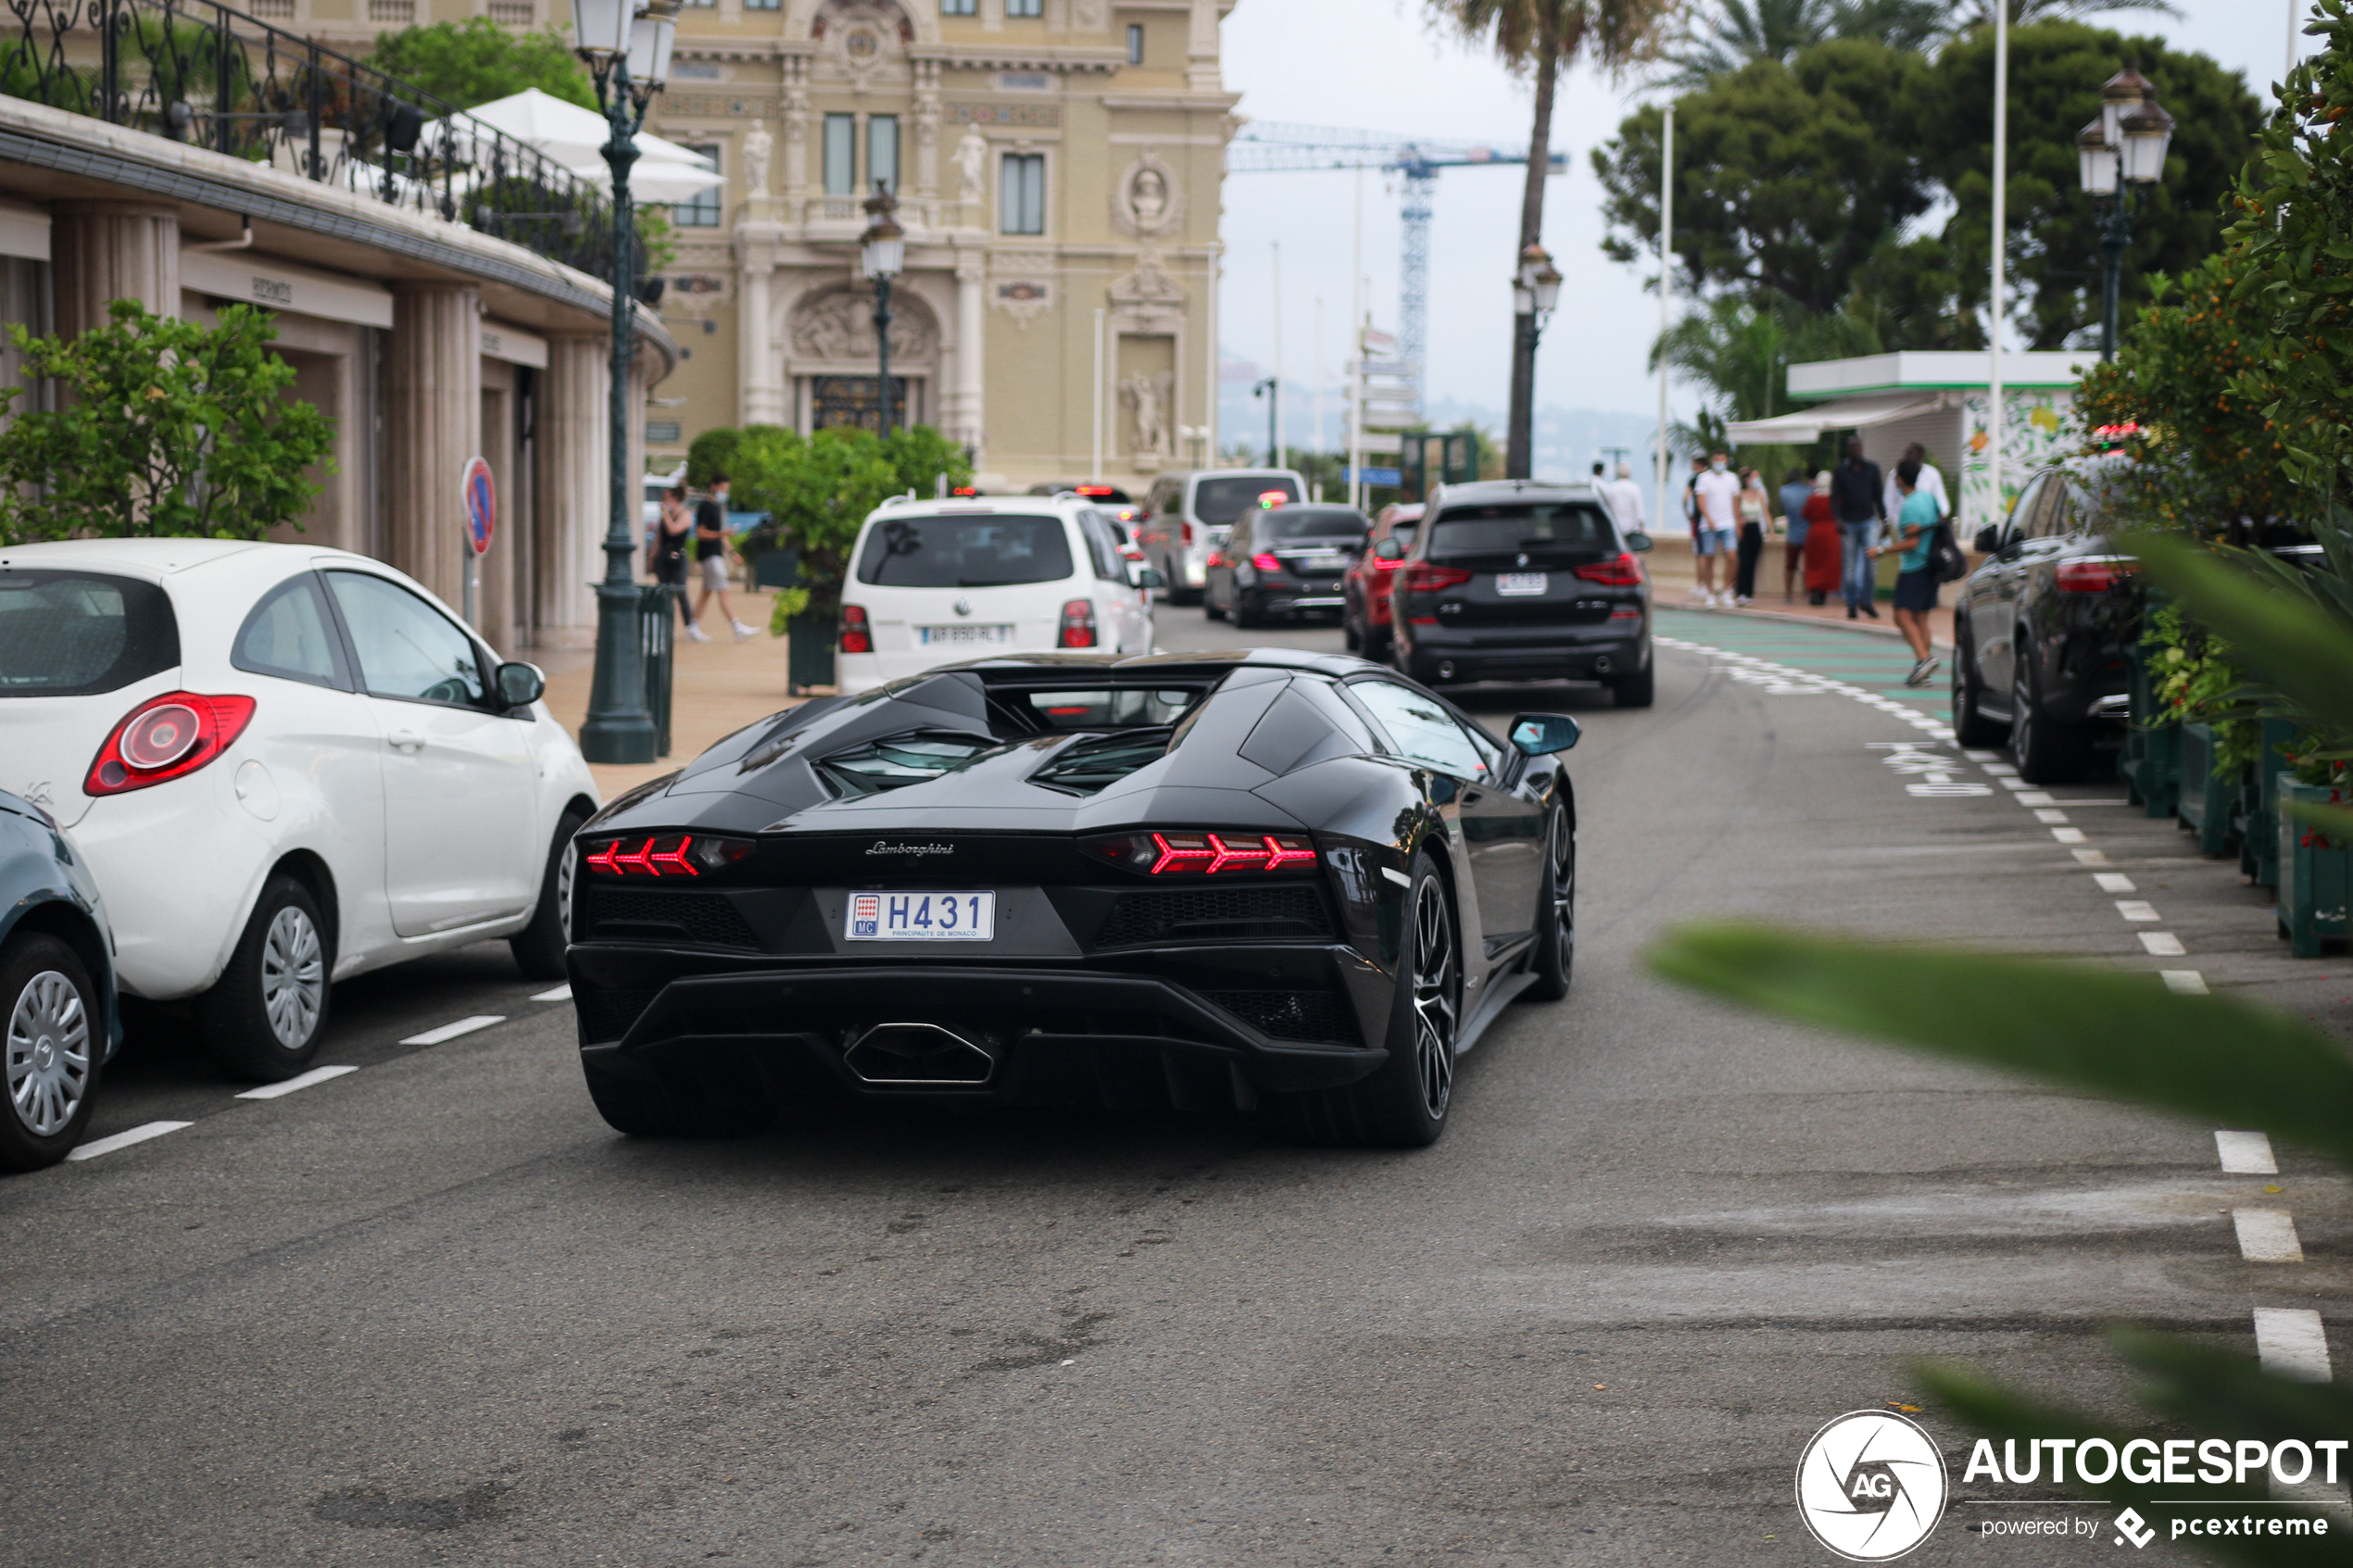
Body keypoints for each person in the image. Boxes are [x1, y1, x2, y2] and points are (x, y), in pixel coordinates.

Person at [1869, 456, 1943, 686]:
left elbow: (1912, 541)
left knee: (1901, 614)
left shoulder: (1910, 505)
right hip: (1932, 565)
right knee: (1921, 618)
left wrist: (1882, 551)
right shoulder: (1928, 498)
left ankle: (1924, 658)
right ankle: (1924, 670)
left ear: (1900, 479)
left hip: (1915, 567)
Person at [689, 474, 756, 643]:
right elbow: (700, 532)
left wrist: (733, 553)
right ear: (714, 486)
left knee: (707, 592)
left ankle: (693, 626)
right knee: (723, 589)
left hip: (715, 553)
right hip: (709, 555)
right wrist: (721, 533)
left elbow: (722, 536)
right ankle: (736, 626)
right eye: (724, 488)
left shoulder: (717, 508)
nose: (725, 492)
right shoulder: (706, 506)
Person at [1830, 437, 1885, 621]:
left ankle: (1867, 601)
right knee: (1850, 568)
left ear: (1862, 448)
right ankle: (1852, 604)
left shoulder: (1872, 469)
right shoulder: (1840, 471)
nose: (1856, 450)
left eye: (1858, 446)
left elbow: (1878, 496)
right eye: (1852, 447)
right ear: (1848, 450)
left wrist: (1884, 520)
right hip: (1849, 524)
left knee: (1871, 565)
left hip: (1868, 521)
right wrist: (1837, 519)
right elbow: (1834, 498)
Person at [1692, 450, 1742, 607]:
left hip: (1728, 523)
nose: (1720, 462)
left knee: (1732, 556)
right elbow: (1700, 501)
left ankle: (1726, 590)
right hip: (1709, 525)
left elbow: (1735, 502)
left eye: (1723, 459)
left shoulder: (1732, 478)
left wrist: (1738, 522)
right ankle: (1710, 592)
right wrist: (1708, 518)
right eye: (1717, 459)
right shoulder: (1704, 479)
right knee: (1708, 558)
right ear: (1713, 461)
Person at [651, 483, 694, 630]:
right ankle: (665, 625)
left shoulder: (685, 515)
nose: (664, 501)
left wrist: (665, 514)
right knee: (663, 591)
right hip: (663, 556)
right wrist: (652, 556)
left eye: (667, 498)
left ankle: (690, 626)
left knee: (680, 590)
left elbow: (673, 530)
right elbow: (659, 537)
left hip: (678, 557)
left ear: (675, 498)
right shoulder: (666, 516)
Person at [1881, 440, 1949, 527]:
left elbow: (1942, 503)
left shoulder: (1932, 474)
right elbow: (1888, 501)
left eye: (1913, 455)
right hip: (1899, 525)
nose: (1909, 458)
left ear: (1921, 457)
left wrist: (1936, 521)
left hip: (1925, 526)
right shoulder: (1894, 474)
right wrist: (1888, 523)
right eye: (1907, 454)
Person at [1802, 471, 1842, 605]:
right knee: (1828, 564)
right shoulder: (1836, 498)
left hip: (1814, 533)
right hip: (1831, 534)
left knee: (1814, 564)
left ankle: (1814, 590)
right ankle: (1823, 593)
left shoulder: (1812, 498)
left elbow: (1805, 514)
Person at [1731, 466, 1768, 605]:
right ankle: (1741, 591)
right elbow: (1736, 513)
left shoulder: (1760, 493)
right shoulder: (1739, 495)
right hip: (1744, 529)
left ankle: (1749, 593)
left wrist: (1770, 531)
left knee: (1752, 563)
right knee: (1744, 562)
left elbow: (1766, 512)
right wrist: (1738, 526)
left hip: (1756, 528)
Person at [1778, 466, 1812, 602]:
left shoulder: (1783, 491)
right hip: (1808, 533)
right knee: (1809, 564)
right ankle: (1809, 591)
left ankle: (1788, 594)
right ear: (1800, 478)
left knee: (1790, 566)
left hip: (1792, 533)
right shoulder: (1809, 491)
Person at [1605, 461, 1647, 535]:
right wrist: (1642, 527)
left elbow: (1607, 507)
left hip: (1615, 528)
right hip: (1631, 529)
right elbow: (1639, 510)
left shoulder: (1611, 488)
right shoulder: (1635, 489)